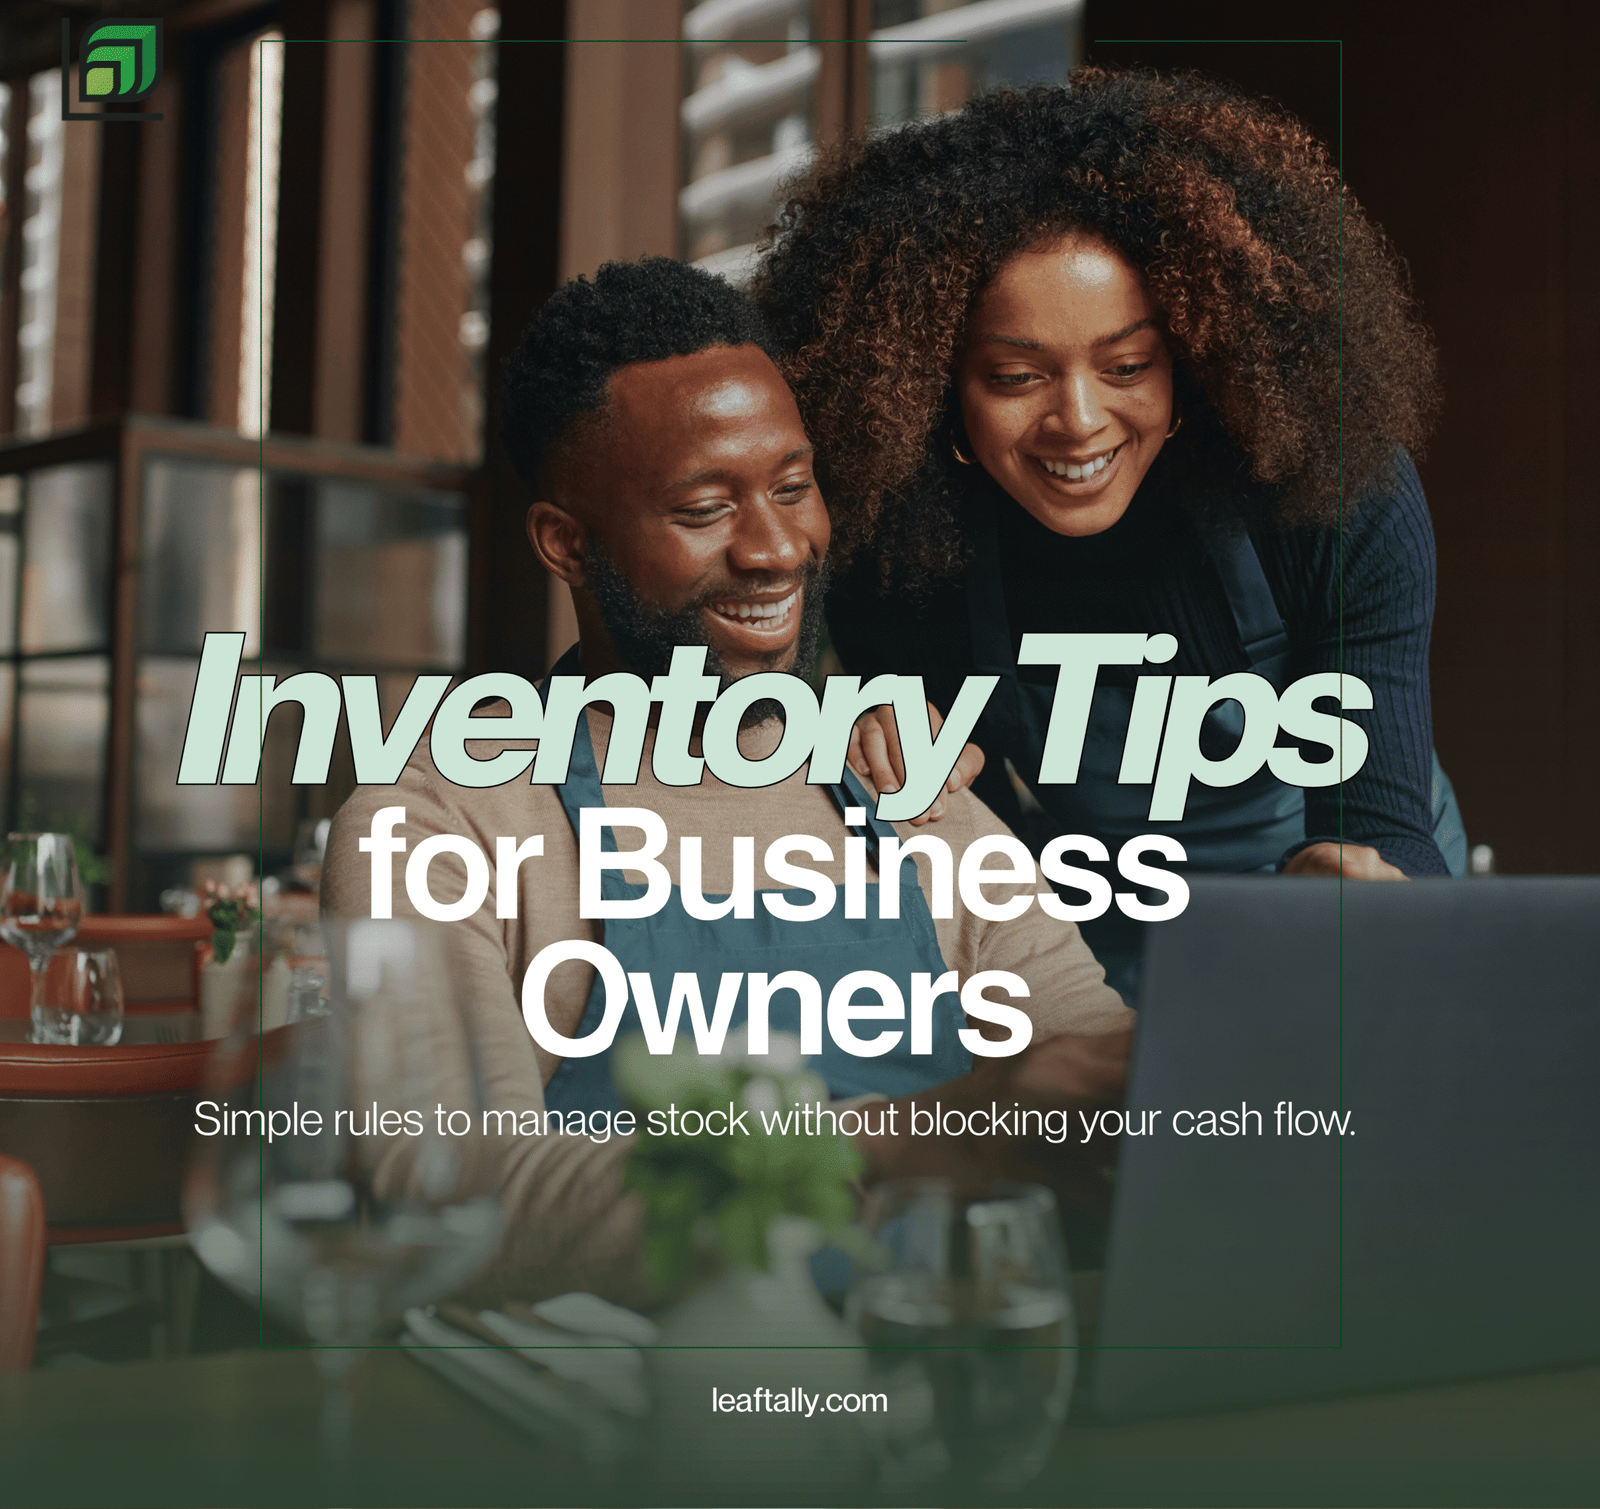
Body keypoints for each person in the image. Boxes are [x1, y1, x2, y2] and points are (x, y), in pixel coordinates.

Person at [322, 256, 1131, 1306]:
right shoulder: (440, 823)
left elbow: (1092, 1068)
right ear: (566, 544)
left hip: (947, 1380)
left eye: (793, 487)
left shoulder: (898, 778)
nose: (776, 549)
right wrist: (910, 1144)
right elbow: (449, 1191)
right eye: (705, 509)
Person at [751, 68, 1466, 996]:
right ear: (931, 391)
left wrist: (1370, 893)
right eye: (1015, 377)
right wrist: (900, 743)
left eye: (1127, 363)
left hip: (1330, 910)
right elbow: (975, 845)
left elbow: (1383, 826)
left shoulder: (1328, 489)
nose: (1080, 422)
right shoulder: (898, 542)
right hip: (1094, 930)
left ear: (1194, 358)